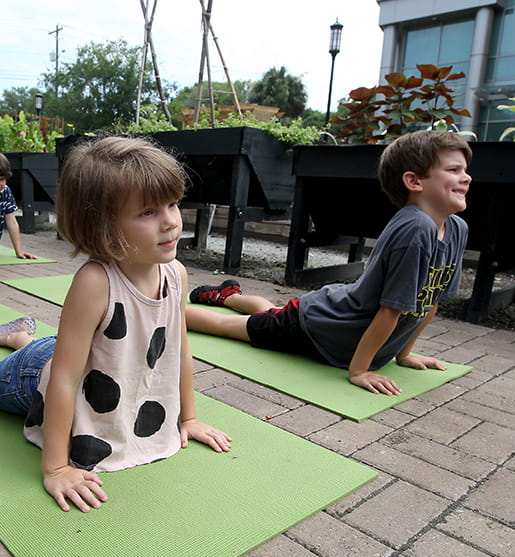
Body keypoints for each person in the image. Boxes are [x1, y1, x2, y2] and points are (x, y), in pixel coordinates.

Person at [0, 136, 232, 513]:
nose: (170, 221)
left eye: (172, 204)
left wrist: (191, 417)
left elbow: (180, 351)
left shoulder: (176, 273)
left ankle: (15, 335)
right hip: (38, 375)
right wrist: (55, 467)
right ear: (102, 225)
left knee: (56, 349)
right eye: (147, 212)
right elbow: (64, 379)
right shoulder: (96, 281)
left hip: (89, 355)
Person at [186, 130, 472, 396]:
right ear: (414, 181)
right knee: (232, 327)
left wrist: (404, 354)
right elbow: (390, 310)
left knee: (272, 314)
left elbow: (431, 301)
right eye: (453, 170)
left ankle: (229, 295)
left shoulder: (457, 228)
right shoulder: (416, 229)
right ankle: (164, 313)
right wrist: (359, 370)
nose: (466, 177)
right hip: (318, 326)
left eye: (465, 170)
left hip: (331, 322)